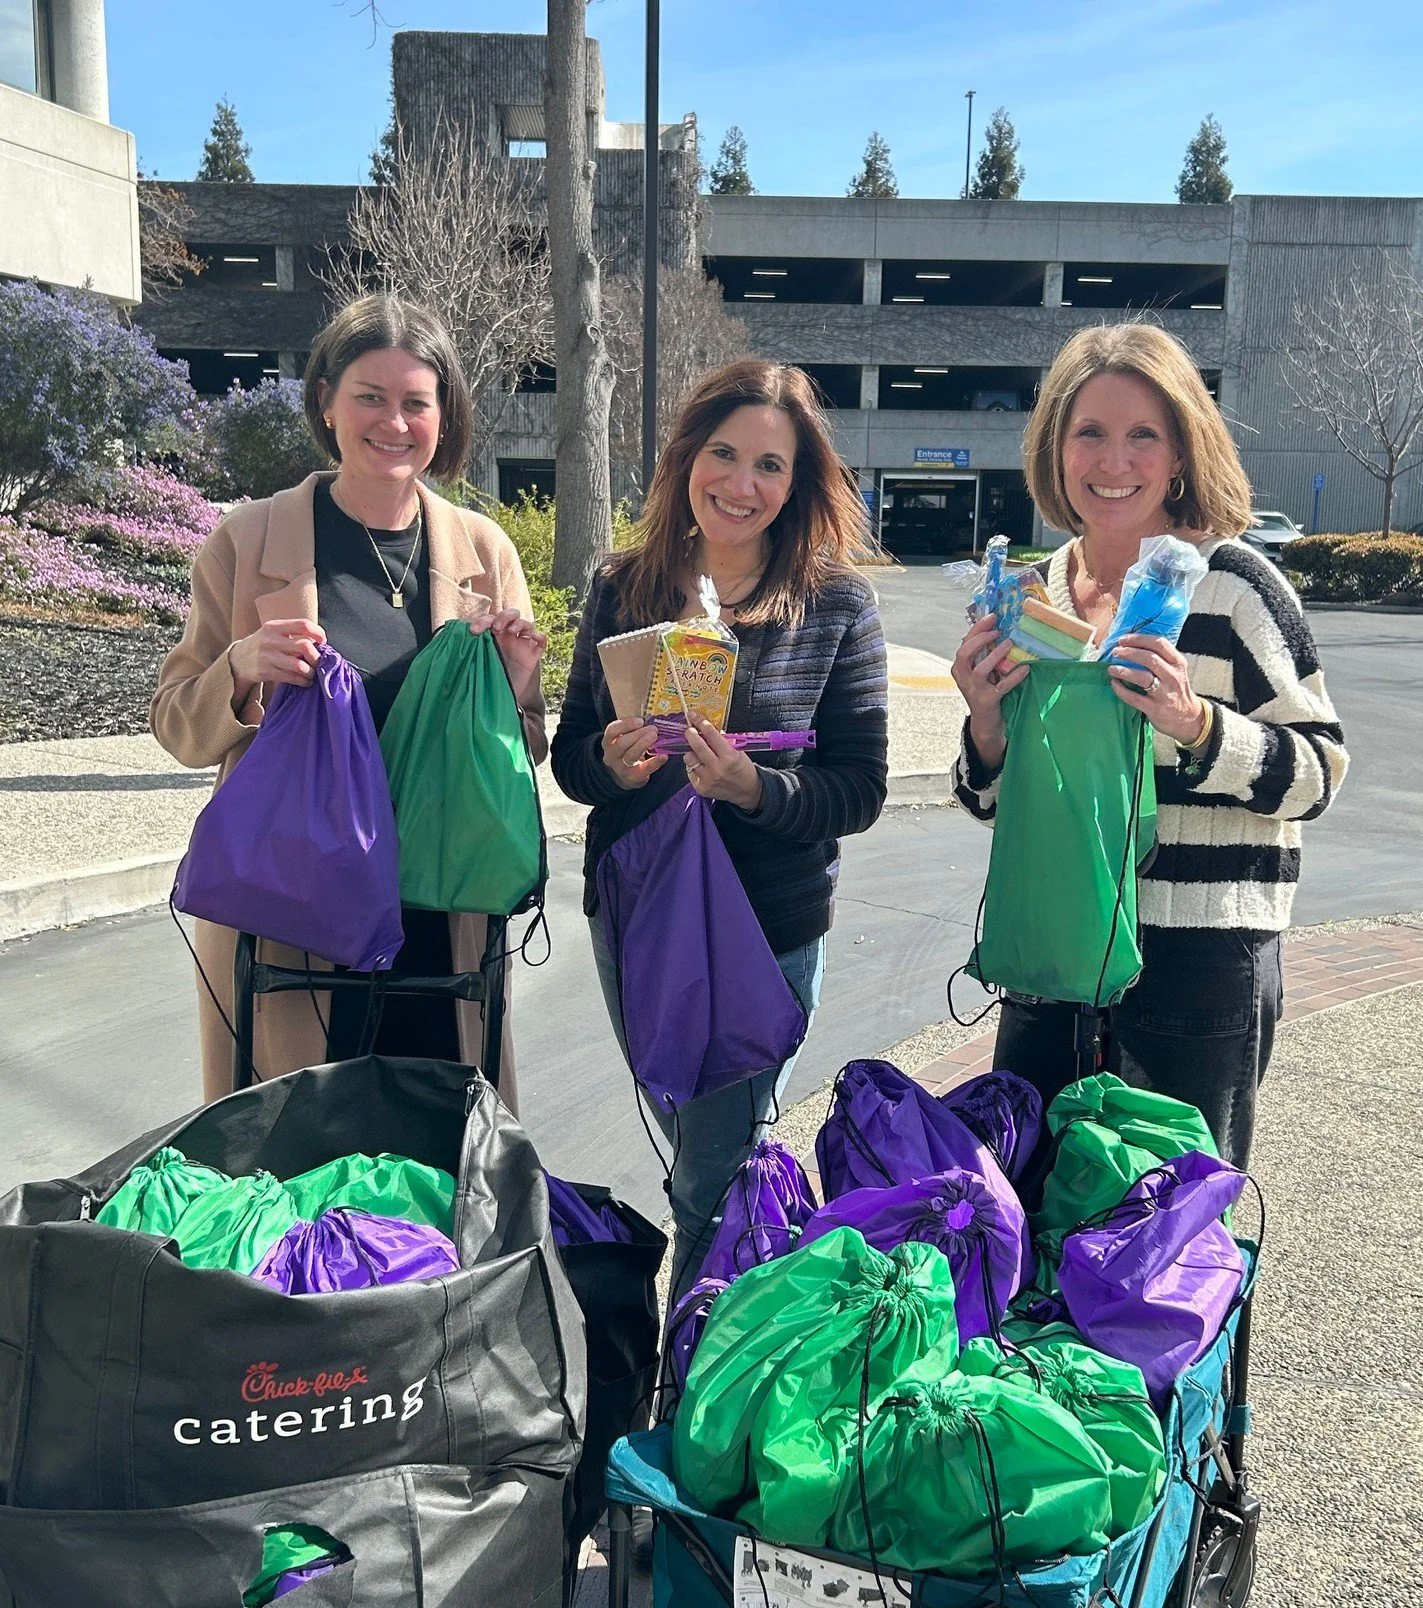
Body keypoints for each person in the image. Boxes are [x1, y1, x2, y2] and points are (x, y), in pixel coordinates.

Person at [951, 322, 1347, 1167]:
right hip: (1053, 954)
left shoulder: (1233, 585)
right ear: (1055, 450)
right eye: (1088, 432)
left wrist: (1196, 726)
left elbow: (1316, 774)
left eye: (1143, 436)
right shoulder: (1039, 593)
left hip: (1194, 960)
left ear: (1179, 455)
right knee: (1026, 1222)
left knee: (1168, 1247)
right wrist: (985, 726)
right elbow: (1002, 801)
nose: (1113, 461)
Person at [153, 294, 547, 1109]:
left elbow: (525, 746)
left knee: (440, 1151)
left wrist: (510, 686)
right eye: (370, 396)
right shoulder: (249, 541)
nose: (392, 422)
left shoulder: (483, 550)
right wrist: (239, 666)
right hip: (293, 911)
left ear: (445, 417)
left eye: (416, 402)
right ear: (327, 400)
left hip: (439, 910)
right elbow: (177, 723)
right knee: (301, 1147)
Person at [551, 359, 889, 1298]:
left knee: (713, 1169)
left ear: (798, 482)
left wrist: (752, 788)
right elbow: (574, 759)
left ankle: (692, 1375)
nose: (741, 484)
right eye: (723, 454)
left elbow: (857, 788)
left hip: (765, 924)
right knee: (685, 1126)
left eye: (769, 466)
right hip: (637, 911)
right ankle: (739, 1310)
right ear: (685, 460)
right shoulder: (624, 588)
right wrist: (612, 763)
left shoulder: (835, 606)